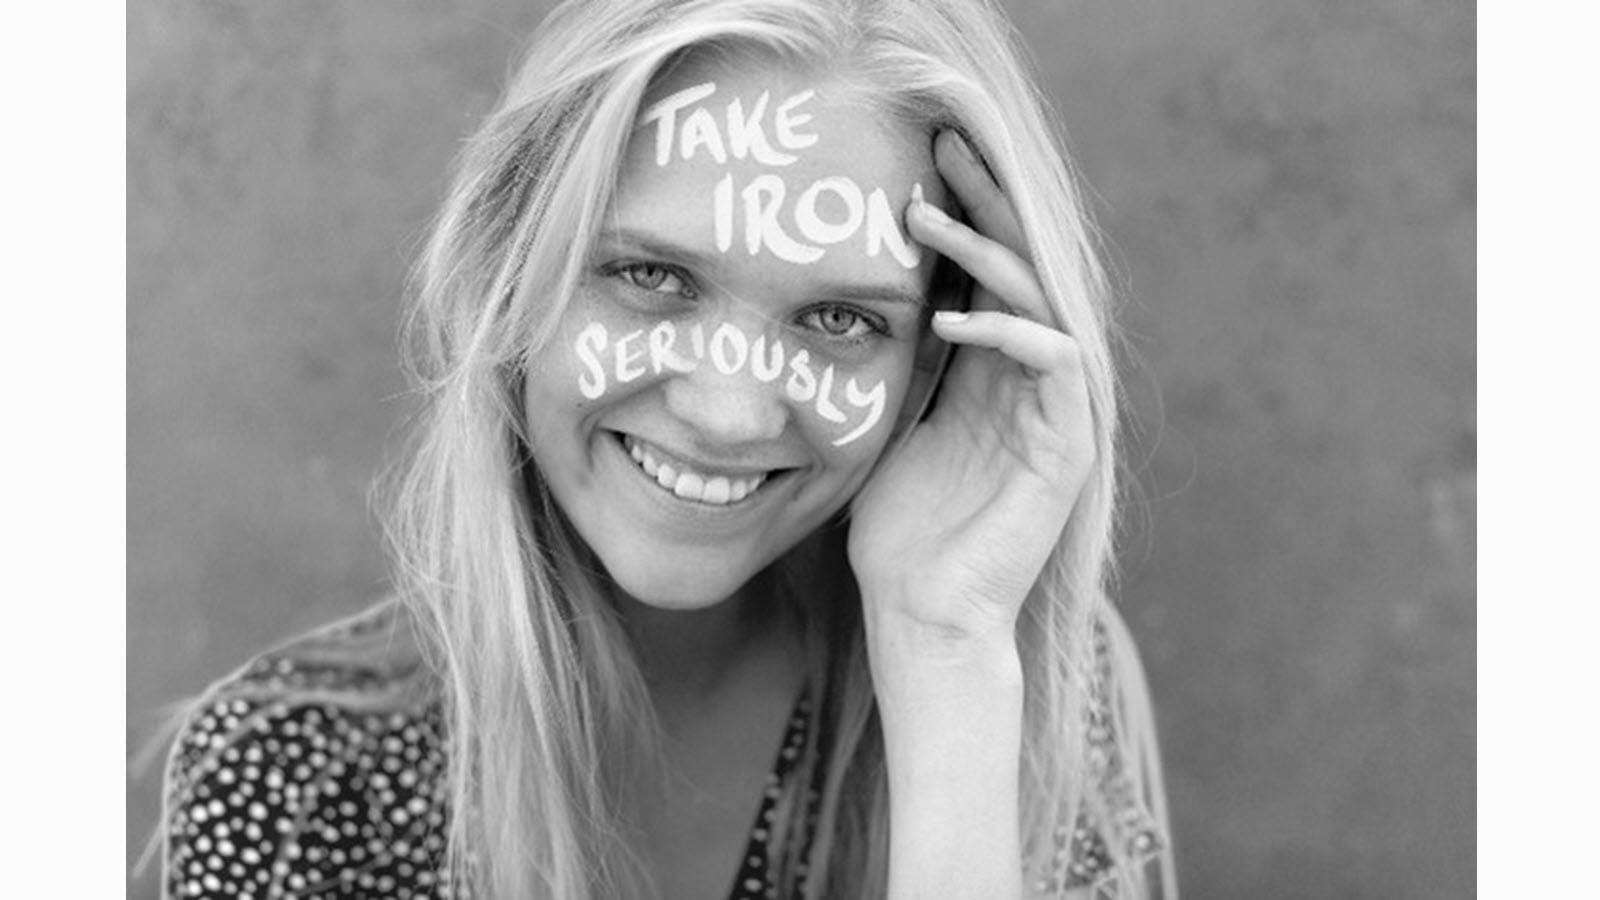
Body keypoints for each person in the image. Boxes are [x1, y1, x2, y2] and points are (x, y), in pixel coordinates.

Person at [159, 0, 1176, 897]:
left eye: (840, 321)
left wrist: (944, 649)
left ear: (935, 362)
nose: (730, 413)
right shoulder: (290, 773)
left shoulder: (1021, 690)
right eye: (651, 277)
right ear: (504, 272)